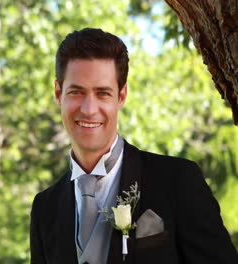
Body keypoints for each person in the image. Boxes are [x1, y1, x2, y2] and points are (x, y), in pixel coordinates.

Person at [30, 28, 238, 264]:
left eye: (102, 93)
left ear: (121, 96)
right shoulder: (45, 208)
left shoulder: (178, 181)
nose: (88, 109)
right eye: (76, 92)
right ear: (59, 94)